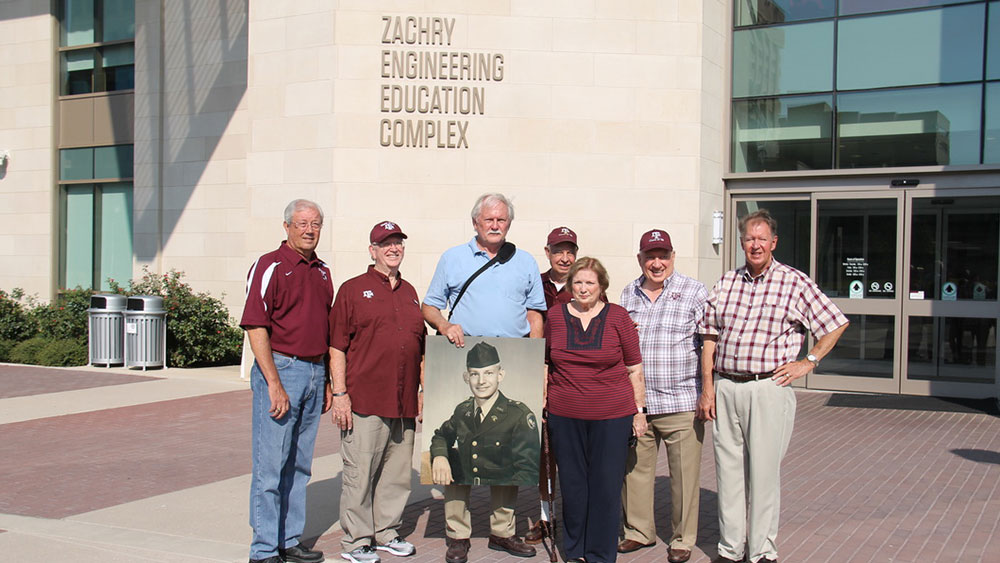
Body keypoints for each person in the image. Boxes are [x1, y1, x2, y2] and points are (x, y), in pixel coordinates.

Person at [698, 209, 849, 563]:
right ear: (741, 243)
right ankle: (730, 549)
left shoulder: (795, 282)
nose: (755, 245)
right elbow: (709, 337)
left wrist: (807, 362)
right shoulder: (726, 282)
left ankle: (762, 551)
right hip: (726, 388)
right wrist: (708, 387)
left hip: (768, 387)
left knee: (763, 474)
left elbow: (835, 323)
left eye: (762, 238)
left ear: (773, 243)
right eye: (750, 238)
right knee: (728, 473)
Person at [422, 192, 546, 563]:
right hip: (463, 357)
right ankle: (457, 534)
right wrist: (445, 324)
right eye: (489, 220)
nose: (495, 225)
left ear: (509, 224)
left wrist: (534, 359)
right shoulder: (453, 258)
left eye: (502, 220)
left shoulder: (524, 261)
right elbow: (429, 306)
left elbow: (535, 313)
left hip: (512, 360)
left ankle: (502, 532)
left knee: (506, 451)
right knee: (460, 444)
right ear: (475, 222)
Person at [241, 199, 334, 563]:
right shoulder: (270, 266)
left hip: (314, 373)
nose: (309, 230)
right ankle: (264, 550)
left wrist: (325, 378)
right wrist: (274, 383)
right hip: (281, 371)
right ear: (286, 227)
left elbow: (326, 328)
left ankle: (289, 540)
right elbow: (255, 325)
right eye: (302, 223)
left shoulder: (323, 271)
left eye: (315, 224)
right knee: (270, 466)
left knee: (299, 465)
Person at [329, 221, 425, 563]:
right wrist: (339, 393)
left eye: (398, 242)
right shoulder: (353, 290)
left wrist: (422, 391)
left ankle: (386, 532)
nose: (393, 248)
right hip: (365, 400)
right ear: (372, 250)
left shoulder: (411, 292)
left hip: (403, 403)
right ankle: (356, 541)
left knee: (397, 475)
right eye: (386, 244)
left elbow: (420, 347)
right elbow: (337, 346)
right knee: (360, 475)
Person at [544, 257, 648, 563]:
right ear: (569, 285)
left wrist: (639, 411)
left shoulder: (618, 317)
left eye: (590, 282)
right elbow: (545, 363)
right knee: (574, 487)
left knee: (605, 486)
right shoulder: (556, 316)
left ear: (601, 286)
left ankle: (600, 554)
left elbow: (634, 369)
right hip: (565, 415)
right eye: (578, 282)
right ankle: (575, 550)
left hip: (612, 416)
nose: (583, 288)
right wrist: (541, 403)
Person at [618, 230, 708, 563]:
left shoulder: (694, 292)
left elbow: (707, 345)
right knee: (635, 473)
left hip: (682, 401)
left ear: (673, 257)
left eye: (664, 256)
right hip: (638, 404)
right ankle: (639, 533)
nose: (657, 263)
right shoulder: (628, 294)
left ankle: (683, 539)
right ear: (640, 258)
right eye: (650, 256)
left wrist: (706, 391)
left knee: (684, 476)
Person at [430, 341, 540, 485]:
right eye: (475, 374)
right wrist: (440, 456)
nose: (481, 381)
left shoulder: (518, 415)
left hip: (502, 492)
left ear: (500, 375)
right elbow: (441, 436)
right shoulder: (462, 411)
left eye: (488, 373)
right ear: (466, 377)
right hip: (466, 486)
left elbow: (528, 472)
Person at [541, 226, 578, 308]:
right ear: (548, 252)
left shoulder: (585, 287)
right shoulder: (536, 284)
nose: (565, 259)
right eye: (559, 252)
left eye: (570, 253)